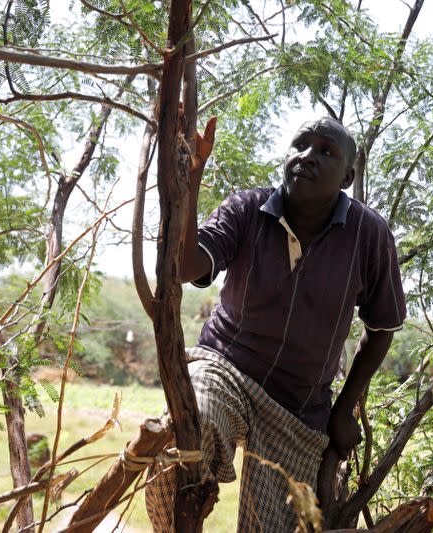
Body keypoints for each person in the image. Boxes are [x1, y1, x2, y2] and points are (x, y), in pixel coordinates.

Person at [145, 116, 406, 532]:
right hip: (225, 369)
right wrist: (189, 181)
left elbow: (382, 328)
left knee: (277, 525)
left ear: (348, 176)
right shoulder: (247, 209)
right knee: (186, 440)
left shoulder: (368, 234)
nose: (308, 156)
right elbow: (183, 267)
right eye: (300, 145)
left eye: (326, 151)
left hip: (299, 404)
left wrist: (343, 409)